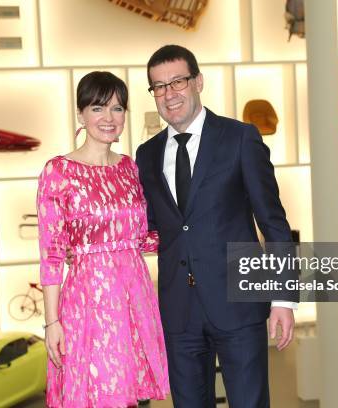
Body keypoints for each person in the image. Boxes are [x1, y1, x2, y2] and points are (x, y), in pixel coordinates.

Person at [133, 45, 299, 407]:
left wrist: (283, 299)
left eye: (177, 81)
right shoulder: (146, 155)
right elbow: (147, 226)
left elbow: (273, 223)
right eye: (158, 86)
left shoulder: (240, 138)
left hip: (239, 305)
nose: (169, 93)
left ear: (198, 82)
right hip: (179, 314)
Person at [37, 71, 169, 407]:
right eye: (98, 108)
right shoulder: (58, 171)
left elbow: (143, 237)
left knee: (132, 398)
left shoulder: (129, 168)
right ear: (80, 114)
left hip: (135, 297)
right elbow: (52, 255)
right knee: (97, 394)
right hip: (89, 303)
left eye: (117, 108)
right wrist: (52, 322)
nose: (109, 118)